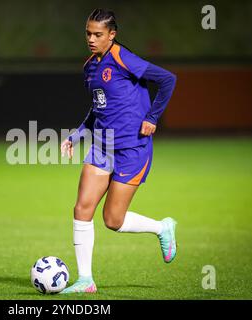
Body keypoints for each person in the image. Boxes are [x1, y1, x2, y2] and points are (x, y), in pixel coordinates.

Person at [59, 8, 178, 294]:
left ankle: (163, 228)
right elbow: (98, 107)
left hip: (132, 148)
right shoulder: (90, 66)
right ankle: (86, 280)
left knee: (113, 220)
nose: (91, 38)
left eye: (98, 34)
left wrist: (152, 117)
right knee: (81, 209)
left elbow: (167, 79)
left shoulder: (123, 58)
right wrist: (77, 134)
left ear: (112, 35)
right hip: (102, 146)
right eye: (88, 33)